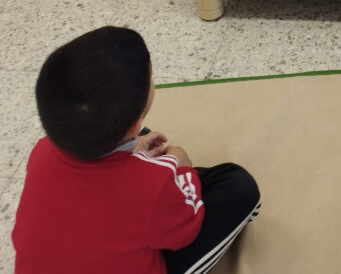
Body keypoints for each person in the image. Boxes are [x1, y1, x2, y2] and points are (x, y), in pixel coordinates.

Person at [13, 26, 260, 274]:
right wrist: (182, 167)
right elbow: (186, 229)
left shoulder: (41, 150)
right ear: (136, 123)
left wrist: (134, 152)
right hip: (153, 212)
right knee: (239, 187)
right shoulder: (153, 186)